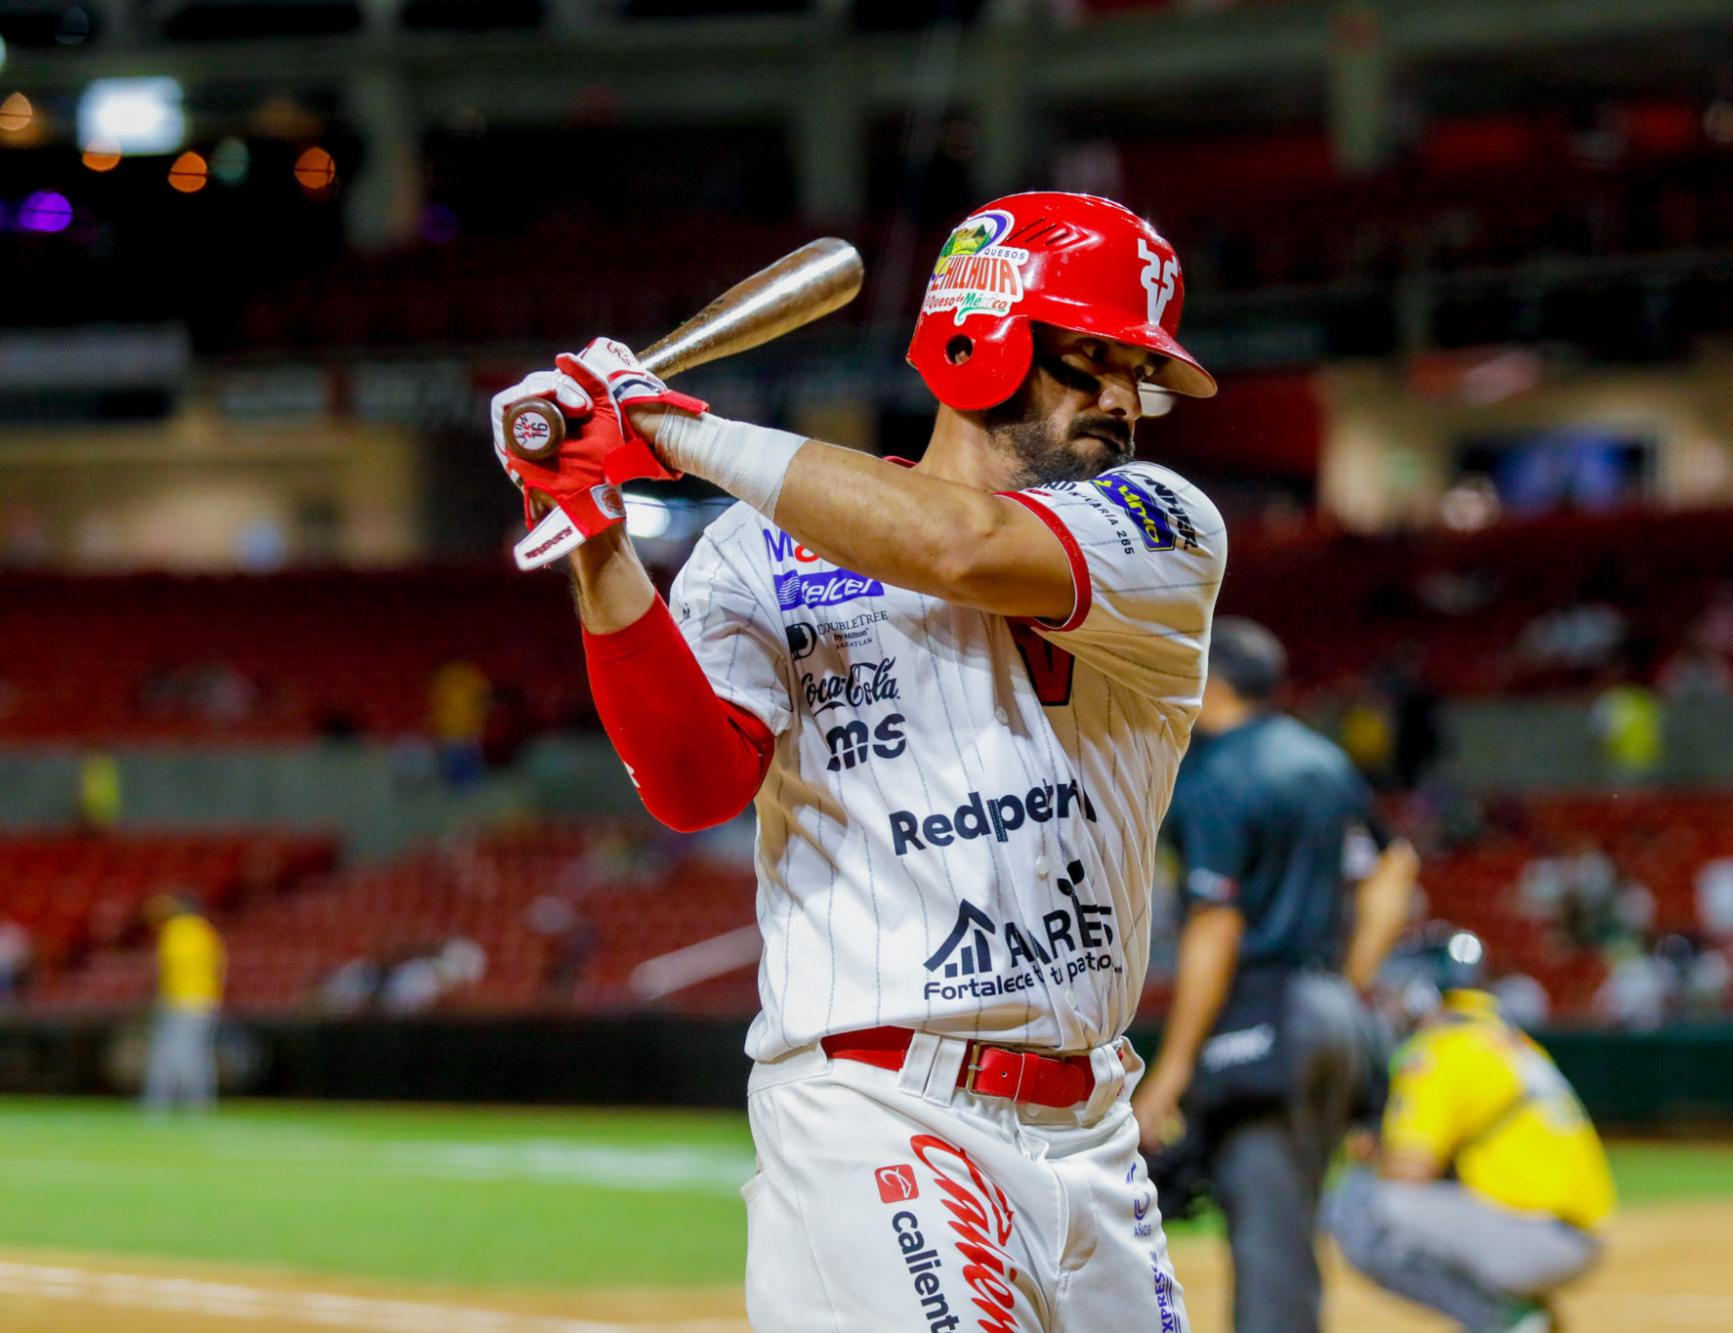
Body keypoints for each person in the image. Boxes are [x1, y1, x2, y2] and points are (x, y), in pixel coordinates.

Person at [487, 192, 1224, 1330]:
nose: (1126, 401)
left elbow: (953, 543)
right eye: (1093, 360)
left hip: (1092, 1125)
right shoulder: (753, 548)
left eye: (1140, 373)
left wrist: (663, 428)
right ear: (983, 344)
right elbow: (693, 788)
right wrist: (594, 537)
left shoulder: (1163, 523)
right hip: (876, 1107)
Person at [1139, 616, 1419, 1331]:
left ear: (1212, 682)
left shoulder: (1216, 770)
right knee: (1290, 1228)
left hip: (1264, 1017)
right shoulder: (1322, 759)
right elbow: (1395, 869)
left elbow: (1217, 924)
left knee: (1268, 1243)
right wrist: (1346, 982)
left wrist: (1168, 1072)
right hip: (1335, 1016)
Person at [1324, 939, 1615, 1333]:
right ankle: (1524, 1316)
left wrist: (1370, 1153)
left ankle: (1502, 1322)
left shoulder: (1442, 1049)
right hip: (1569, 1233)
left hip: (1535, 1237)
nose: (1388, 1004)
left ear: (1422, 994)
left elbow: (1411, 1170)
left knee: (1354, 1204)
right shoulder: (1499, 1037)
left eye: (1397, 991)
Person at [141, 894, 225, 1115]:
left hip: (179, 1000)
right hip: (205, 1000)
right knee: (197, 1055)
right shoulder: (206, 930)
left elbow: (166, 967)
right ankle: (198, 1105)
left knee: (170, 1054)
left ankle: (159, 1105)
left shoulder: (176, 929)